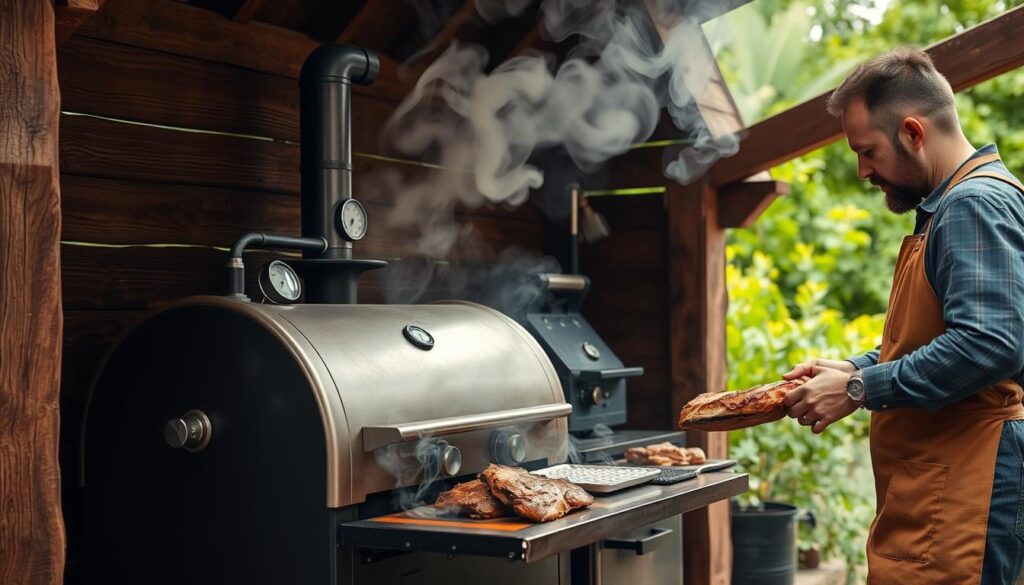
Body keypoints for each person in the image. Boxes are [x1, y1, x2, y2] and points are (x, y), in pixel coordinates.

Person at [780, 47, 1024, 584]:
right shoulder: (955, 206)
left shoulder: (972, 205)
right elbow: (944, 335)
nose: (864, 170)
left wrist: (859, 390)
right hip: (945, 485)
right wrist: (852, 369)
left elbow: (991, 344)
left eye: (867, 151)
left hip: (968, 488)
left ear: (913, 132)